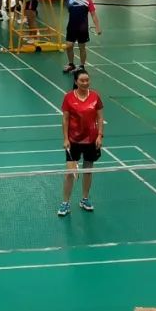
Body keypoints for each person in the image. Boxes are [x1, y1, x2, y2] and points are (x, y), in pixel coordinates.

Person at [58, 69, 103, 216]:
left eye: (87, 80)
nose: (85, 83)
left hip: (91, 140)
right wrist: (65, 138)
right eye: (82, 80)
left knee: (88, 171)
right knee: (70, 173)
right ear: (76, 82)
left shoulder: (95, 96)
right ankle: (65, 203)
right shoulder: (68, 97)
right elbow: (65, 119)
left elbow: (100, 118)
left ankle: (85, 199)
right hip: (74, 140)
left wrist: (100, 136)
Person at [62, 0, 102, 73]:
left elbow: (93, 15)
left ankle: (81, 66)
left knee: (82, 47)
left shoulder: (88, 0)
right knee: (69, 46)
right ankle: (71, 64)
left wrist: (97, 27)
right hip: (71, 26)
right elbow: (68, 9)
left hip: (82, 28)